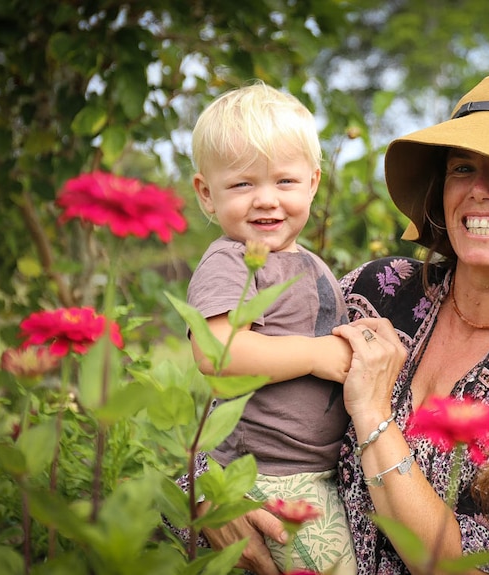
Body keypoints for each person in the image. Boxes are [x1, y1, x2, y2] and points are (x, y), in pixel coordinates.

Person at [198, 71, 489, 575]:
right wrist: (209, 499)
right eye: (463, 167)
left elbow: (475, 571)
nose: (480, 190)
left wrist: (374, 414)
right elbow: (231, 395)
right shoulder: (374, 292)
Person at [181, 81, 357, 575]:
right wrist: (317, 355)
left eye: (284, 182)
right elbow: (217, 354)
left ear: (313, 183)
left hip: (315, 469)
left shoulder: (309, 263)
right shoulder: (230, 260)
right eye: (241, 184)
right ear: (206, 194)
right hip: (267, 474)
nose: (265, 200)